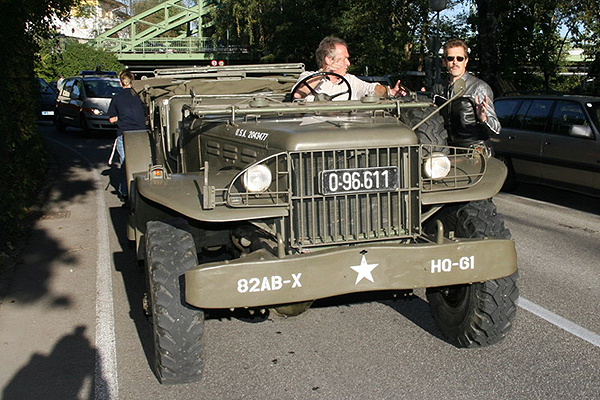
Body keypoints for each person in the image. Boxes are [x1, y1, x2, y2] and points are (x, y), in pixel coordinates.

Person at [432, 38, 501, 147]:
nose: (455, 62)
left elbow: (496, 129)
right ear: (444, 62)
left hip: (474, 150)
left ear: (466, 61)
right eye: (450, 58)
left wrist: (483, 118)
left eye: (460, 58)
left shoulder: (479, 88)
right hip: (446, 150)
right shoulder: (438, 88)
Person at [292, 36, 404, 101]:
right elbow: (297, 95)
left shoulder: (350, 81)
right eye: (344, 59)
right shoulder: (307, 77)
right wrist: (324, 73)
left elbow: (371, 88)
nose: (348, 63)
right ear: (329, 60)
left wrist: (389, 92)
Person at [107, 70, 147, 201]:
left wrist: (120, 118)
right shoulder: (140, 97)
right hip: (141, 133)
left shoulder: (117, 98)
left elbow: (112, 119)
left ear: (121, 83)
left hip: (124, 134)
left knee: (126, 163)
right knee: (141, 161)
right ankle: (142, 190)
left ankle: (125, 191)